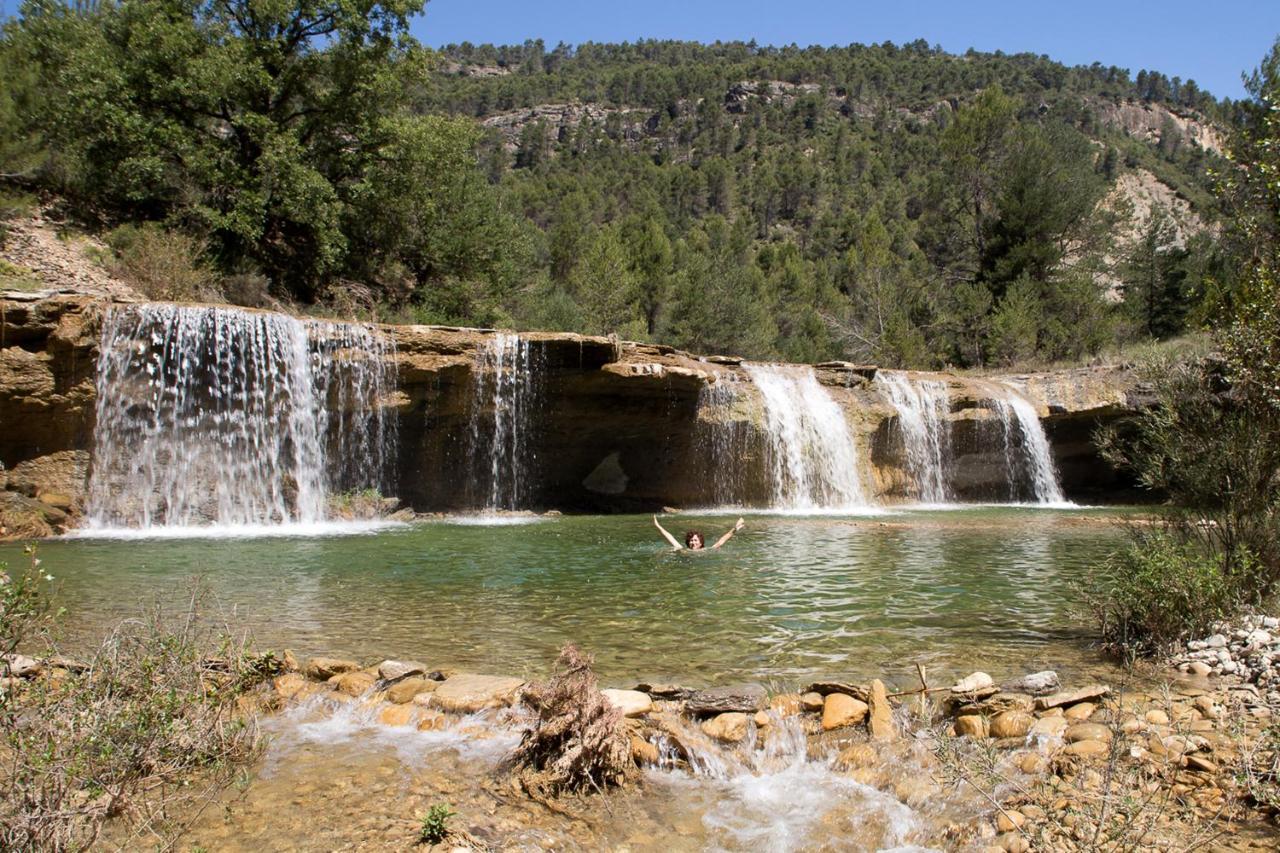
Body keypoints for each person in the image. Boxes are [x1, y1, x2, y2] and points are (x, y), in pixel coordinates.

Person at [653, 515, 744, 552]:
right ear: (688, 542)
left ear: (701, 543)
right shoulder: (684, 551)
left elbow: (721, 541)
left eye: (695, 540)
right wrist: (658, 526)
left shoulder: (706, 550)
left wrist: (735, 528)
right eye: (691, 540)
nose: (693, 542)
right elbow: (671, 538)